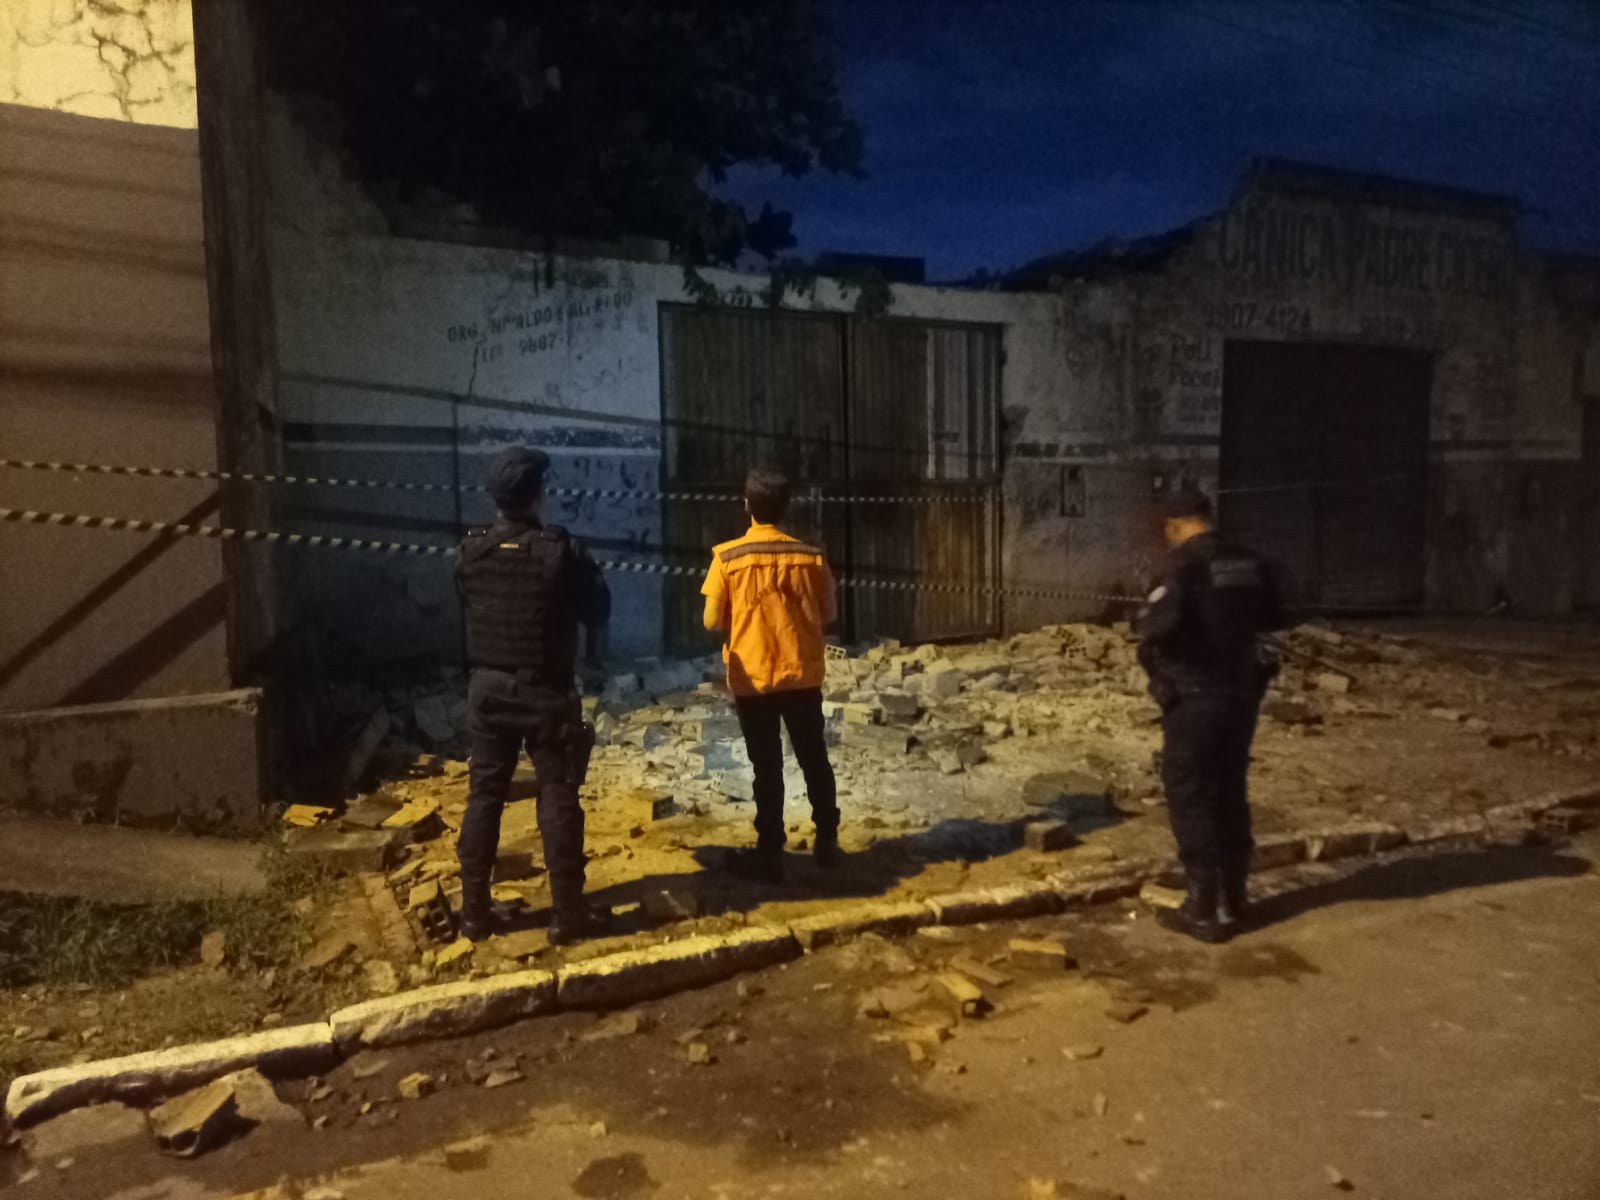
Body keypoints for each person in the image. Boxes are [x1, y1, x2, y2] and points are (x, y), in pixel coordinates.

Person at [455, 446, 613, 945]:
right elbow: (598, 611)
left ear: (497, 498)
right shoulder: (559, 551)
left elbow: (467, 605)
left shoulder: (472, 550)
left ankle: (474, 914)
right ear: (538, 495)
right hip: (545, 693)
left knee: (484, 796)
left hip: (488, 690)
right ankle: (567, 914)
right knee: (558, 795)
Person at [1136, 482, 1288, 943]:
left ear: (1176, 525)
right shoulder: (1250, 561)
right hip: (1241, 693)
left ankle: (1202, 908)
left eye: (1167, 529)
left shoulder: (1182, 566)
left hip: (1194, 697)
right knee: (1229, 789)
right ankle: (1235, 899)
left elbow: (1156, 626)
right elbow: (1277, 615)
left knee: (1192, 792)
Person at [701, 466, 840, 884]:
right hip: (802, 675)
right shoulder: (811, 557)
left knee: (767, 766)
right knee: (814, 758)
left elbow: (711, 620)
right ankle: (827, 839)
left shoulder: (727, 558)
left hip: (754, 679)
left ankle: (770, 852)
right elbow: (830, 614)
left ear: (747, 505)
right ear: (785, 507)